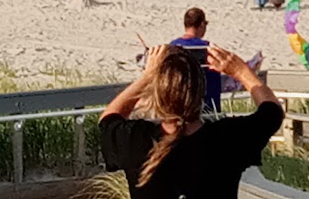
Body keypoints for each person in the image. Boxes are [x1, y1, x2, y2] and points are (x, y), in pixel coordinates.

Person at [100, 43, 281, 199]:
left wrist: (148, 76)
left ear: (157, 95)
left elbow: (108, 118)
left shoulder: (136, 140)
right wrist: (241, 71)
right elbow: (272, 112)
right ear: (200, 93)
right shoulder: (226, 138)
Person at [170, 8, 221, 112]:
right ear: (202, 24)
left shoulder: (172, 47)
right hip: (207, 106)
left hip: (179, 104)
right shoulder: (207, 48)